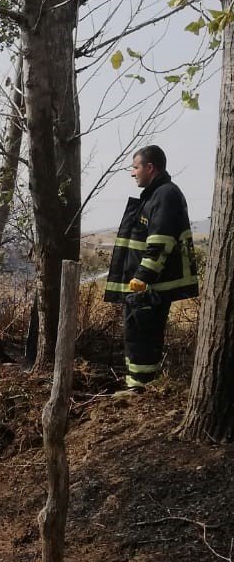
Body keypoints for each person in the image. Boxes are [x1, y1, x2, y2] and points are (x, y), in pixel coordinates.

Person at [103, 145, 198, 393]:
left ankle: (139, 389)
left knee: (141, 336)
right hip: (147, 284)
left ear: (149, 167)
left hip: (151, 285)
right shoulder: (156, 195)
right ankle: (139, 386)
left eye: (135, 167)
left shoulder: (165, 195)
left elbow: (160, 241)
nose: (132, 173)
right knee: (139, 334)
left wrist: (142, 277)